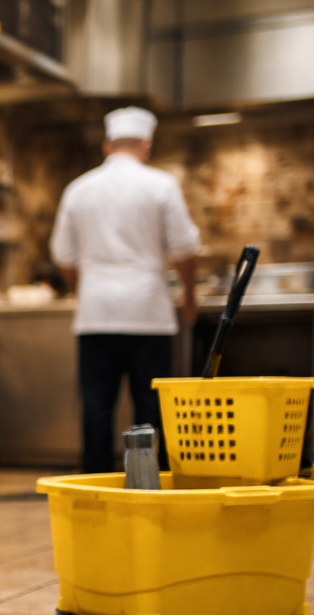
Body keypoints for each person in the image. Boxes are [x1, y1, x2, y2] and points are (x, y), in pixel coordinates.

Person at [51, 106, 201, 474]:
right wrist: (190, 293)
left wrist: (81, 289)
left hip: (96, 312)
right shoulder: (161, 185)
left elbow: (62, 254)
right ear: (146, 146)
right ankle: (146, 480)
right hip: (148, 310)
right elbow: (184, 248)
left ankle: (96, 482)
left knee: (97, 404)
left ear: (106, 146)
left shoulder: (78, 189)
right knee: (149, 404)